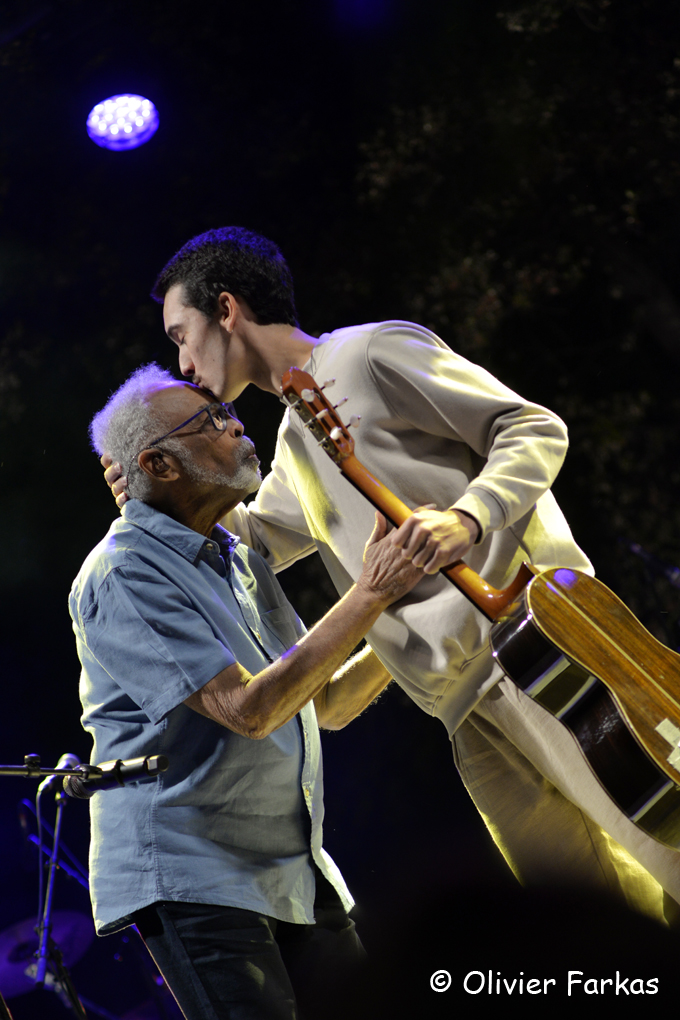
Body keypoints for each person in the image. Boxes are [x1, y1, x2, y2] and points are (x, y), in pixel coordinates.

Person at [104, 227, 680, 924]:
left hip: (538, 651)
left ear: (226, 309)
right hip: (463, 713)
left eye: (182, 335)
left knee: (666, 847)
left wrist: (468, 517)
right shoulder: (294, 438)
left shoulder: (370, 353)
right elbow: (250, 544)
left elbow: (533, 428)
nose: (183, 361)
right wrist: (154, 494)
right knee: (589, 925)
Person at [71, 363, 425, 1020]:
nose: (236, 426)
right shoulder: (123, 572)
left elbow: (324, 704)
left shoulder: (236, 558)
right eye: (210, 421)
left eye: (228, 414)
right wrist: (373, 592)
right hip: (196, 874)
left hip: (290, 868)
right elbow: (249, 710)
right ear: (159, 465)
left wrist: (411, 622)